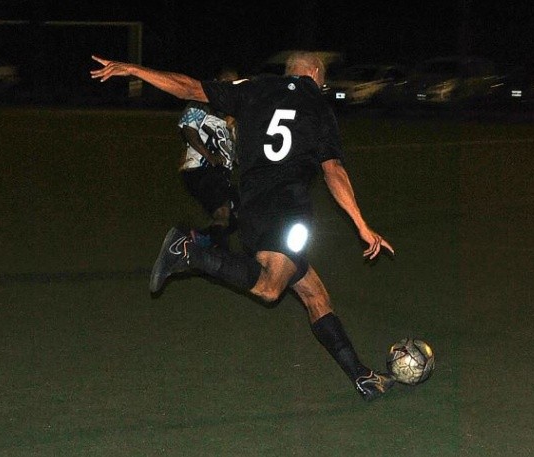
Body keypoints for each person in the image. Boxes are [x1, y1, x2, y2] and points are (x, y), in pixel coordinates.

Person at [91, 51, 396, 401]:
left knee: (315, 296)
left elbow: (187, 88)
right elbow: (333, 171)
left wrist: (133, 69)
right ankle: (189, 252)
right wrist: (361, 224)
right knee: (268, 288)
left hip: (252, 209)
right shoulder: (318, 106)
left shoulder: (254, 88)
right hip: (287, 209)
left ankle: (361, 376)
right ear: (316, 75)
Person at [177, 68, 239, 250]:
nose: (229, 87)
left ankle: (194, 240)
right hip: (200, 168)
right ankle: (221, 258)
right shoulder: (202, 103)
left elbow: (236, 156)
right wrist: (209, 156)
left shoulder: (232, 115)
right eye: (225, 82)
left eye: (234, 83)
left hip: (220, 174)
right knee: (223, 212)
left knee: (239, 215)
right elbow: (189, 130)